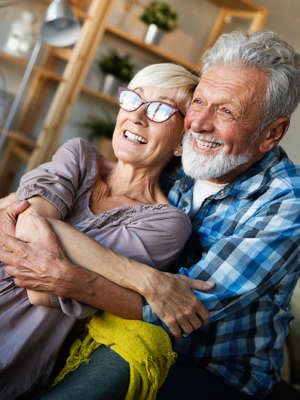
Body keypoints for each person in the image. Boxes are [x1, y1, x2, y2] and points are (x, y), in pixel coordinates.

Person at [1, 30, 300, 399]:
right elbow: (26, 205)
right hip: (115, 323)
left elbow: (181, 311)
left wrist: (60, 276)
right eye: (200, 102)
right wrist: (16, 209)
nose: (199, 123)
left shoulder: (287, 203)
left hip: (211, 367)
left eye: (226, 111)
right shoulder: (178, 162)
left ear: (272, 132)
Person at [0, 63, 208, 400]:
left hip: (12, 345)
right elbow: (26, 221)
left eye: (159, 110)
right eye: (133, 100)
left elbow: (42, 288)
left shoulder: (167, 224)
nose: (137, 117)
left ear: (183, 142)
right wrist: (144, 277)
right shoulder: (79, 154)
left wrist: (13, 212)